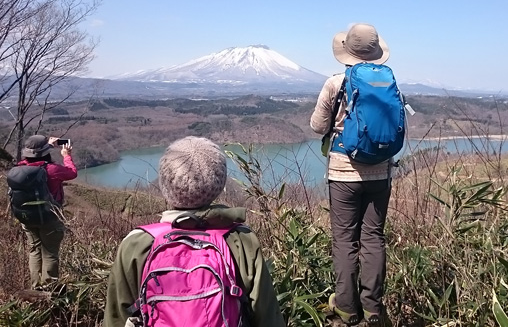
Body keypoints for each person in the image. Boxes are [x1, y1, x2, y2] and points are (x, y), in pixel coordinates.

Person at [104, 136, 285, 327]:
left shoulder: (137, 243)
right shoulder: (240, 240)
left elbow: (116, 317)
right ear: (219, 184)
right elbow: (267, 316)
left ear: (166, 185)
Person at [310, 23, 394, 326]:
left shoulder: (336, 83)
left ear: (347, 50)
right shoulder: (389, 83)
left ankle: (346, 308)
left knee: (345, 241)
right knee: (373, 238)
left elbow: (318, 127)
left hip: (344, 172)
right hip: (381, 173)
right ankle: (373, 310)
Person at [17, 134, 77, 288]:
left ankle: (36, 287)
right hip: (49, 217)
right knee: (50, 252)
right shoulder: (52, 170)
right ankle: (49, 290)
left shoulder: (20, 168)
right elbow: (72, 172)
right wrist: (66, 156)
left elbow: (36, 158)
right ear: (45, 152)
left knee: (35, 250)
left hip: (28, 218)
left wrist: (48, 146)